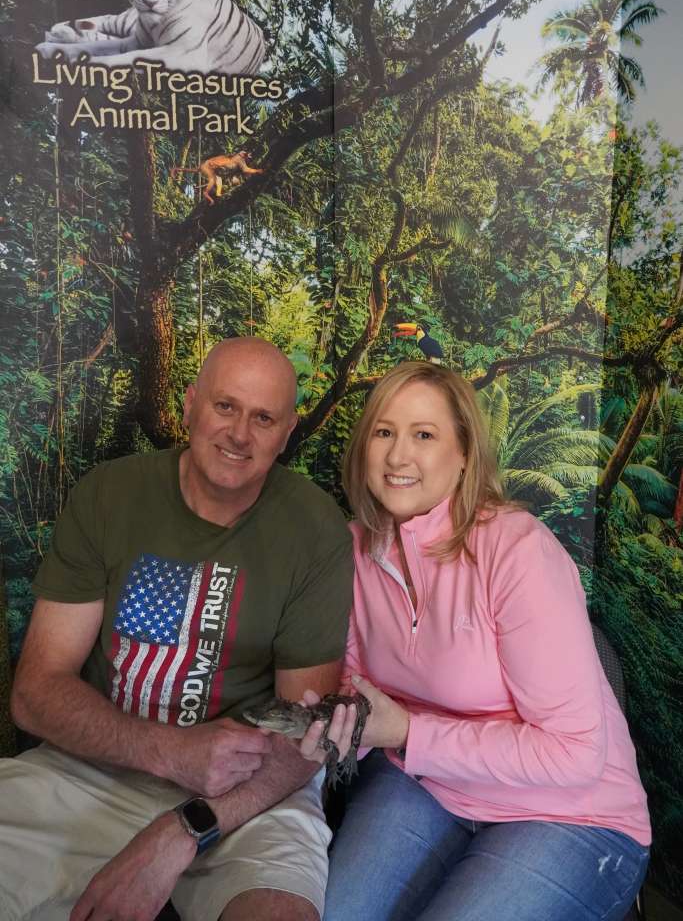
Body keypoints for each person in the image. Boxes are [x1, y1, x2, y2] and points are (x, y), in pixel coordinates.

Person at [0, 337, 353, 921]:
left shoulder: (315, 529)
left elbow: (304, 738)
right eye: (224, 406)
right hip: (89, 766)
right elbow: (35, 692)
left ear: (286, 432)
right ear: (190, 405)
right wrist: (167, 751)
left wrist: (185, 827)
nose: (239, 434)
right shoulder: (110, 493)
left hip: (250, 794)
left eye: (262, 418)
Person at [298, 360, 650, 921]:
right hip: (426, 785)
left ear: (464, 455)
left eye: (424, 435)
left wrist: (411, 731)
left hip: (568, 814)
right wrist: (332, 732)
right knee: (333, 912)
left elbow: (577, 755)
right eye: (384, 432)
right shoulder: (354, 550)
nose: (398, 456)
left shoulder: (518, 552)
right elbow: (354, 687)